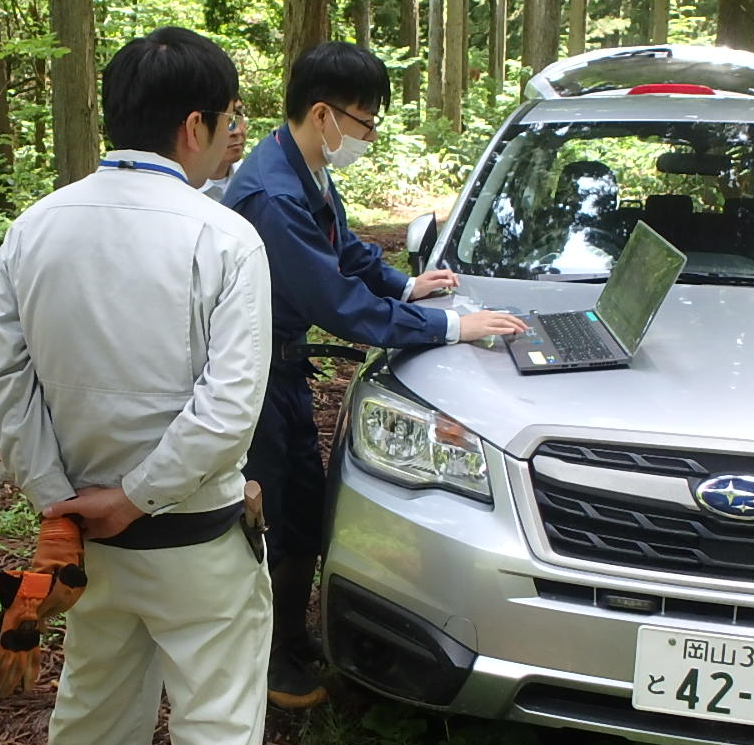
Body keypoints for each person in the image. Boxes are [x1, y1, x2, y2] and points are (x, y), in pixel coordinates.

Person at [0, 27, 287, 745]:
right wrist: (138, 495)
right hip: (192, 538)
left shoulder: (37, 228)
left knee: (96, 693)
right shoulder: (222, 236)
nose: (235, 138)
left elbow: (3, 376)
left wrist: (62, 498)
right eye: (231, 120)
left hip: (85, 544)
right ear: (194, 124)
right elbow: (229, 405)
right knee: (218, 716)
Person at [222, 42, 526, 707]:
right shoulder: (272, 193)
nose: (369, 136)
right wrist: (450, 326)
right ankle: (268, 661)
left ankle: (291, 639)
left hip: (281, 369)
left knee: (301, 506)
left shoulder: (303, 168)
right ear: (324, 114)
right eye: (365, 122)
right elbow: (336, 303)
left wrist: (406, 285)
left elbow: (346, 249)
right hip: (254, 380)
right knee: (272, 511)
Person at [198, 98, 247, 203]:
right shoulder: (180, 188)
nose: (237, 131)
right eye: (227, 119)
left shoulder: (252, 177)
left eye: (239, 115)